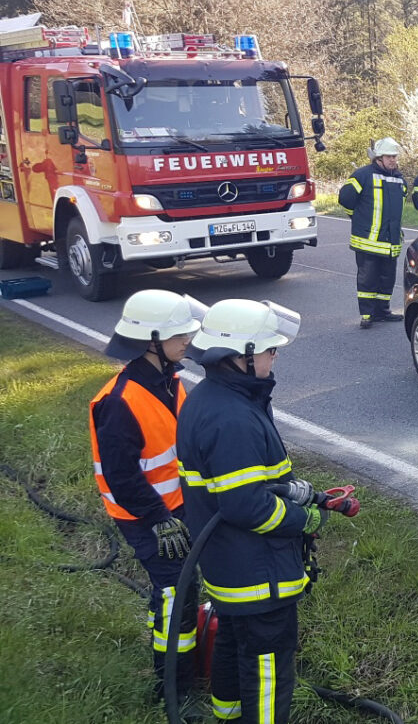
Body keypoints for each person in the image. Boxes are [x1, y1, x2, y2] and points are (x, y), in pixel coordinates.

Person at [177, 299, 323, 723]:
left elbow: (247, 482)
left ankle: (227, 714)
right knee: (267, 668)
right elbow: (246, 506)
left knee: (232, 644)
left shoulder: (212, 397)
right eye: (269, 349)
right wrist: (304, 520)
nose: (275, 356)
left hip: (228, 567)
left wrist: (294, 492)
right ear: (239, 356)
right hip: (257, 574)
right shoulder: (233, 418)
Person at [89, 289, 205, 709]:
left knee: (187, 588)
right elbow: (121, 477)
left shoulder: (168, 382)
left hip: (177, 506)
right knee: (176, 596)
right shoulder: (120, 403)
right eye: (181, 335)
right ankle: (173, 690)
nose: (188, 340)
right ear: (152, 340)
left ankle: (186, 667)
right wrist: (158, 518)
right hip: (145, 515)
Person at [339, 137, 407, 328]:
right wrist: (358, 219)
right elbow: (345, 199)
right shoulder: (362, 175)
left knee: (387, 278)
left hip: (390, 241)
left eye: (394, 156)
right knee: (368, 279)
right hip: (367, 241)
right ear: (378, 158)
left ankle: (382, 311)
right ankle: (367, 315)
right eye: (389, 156)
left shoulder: (399, 180)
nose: (393, 160)